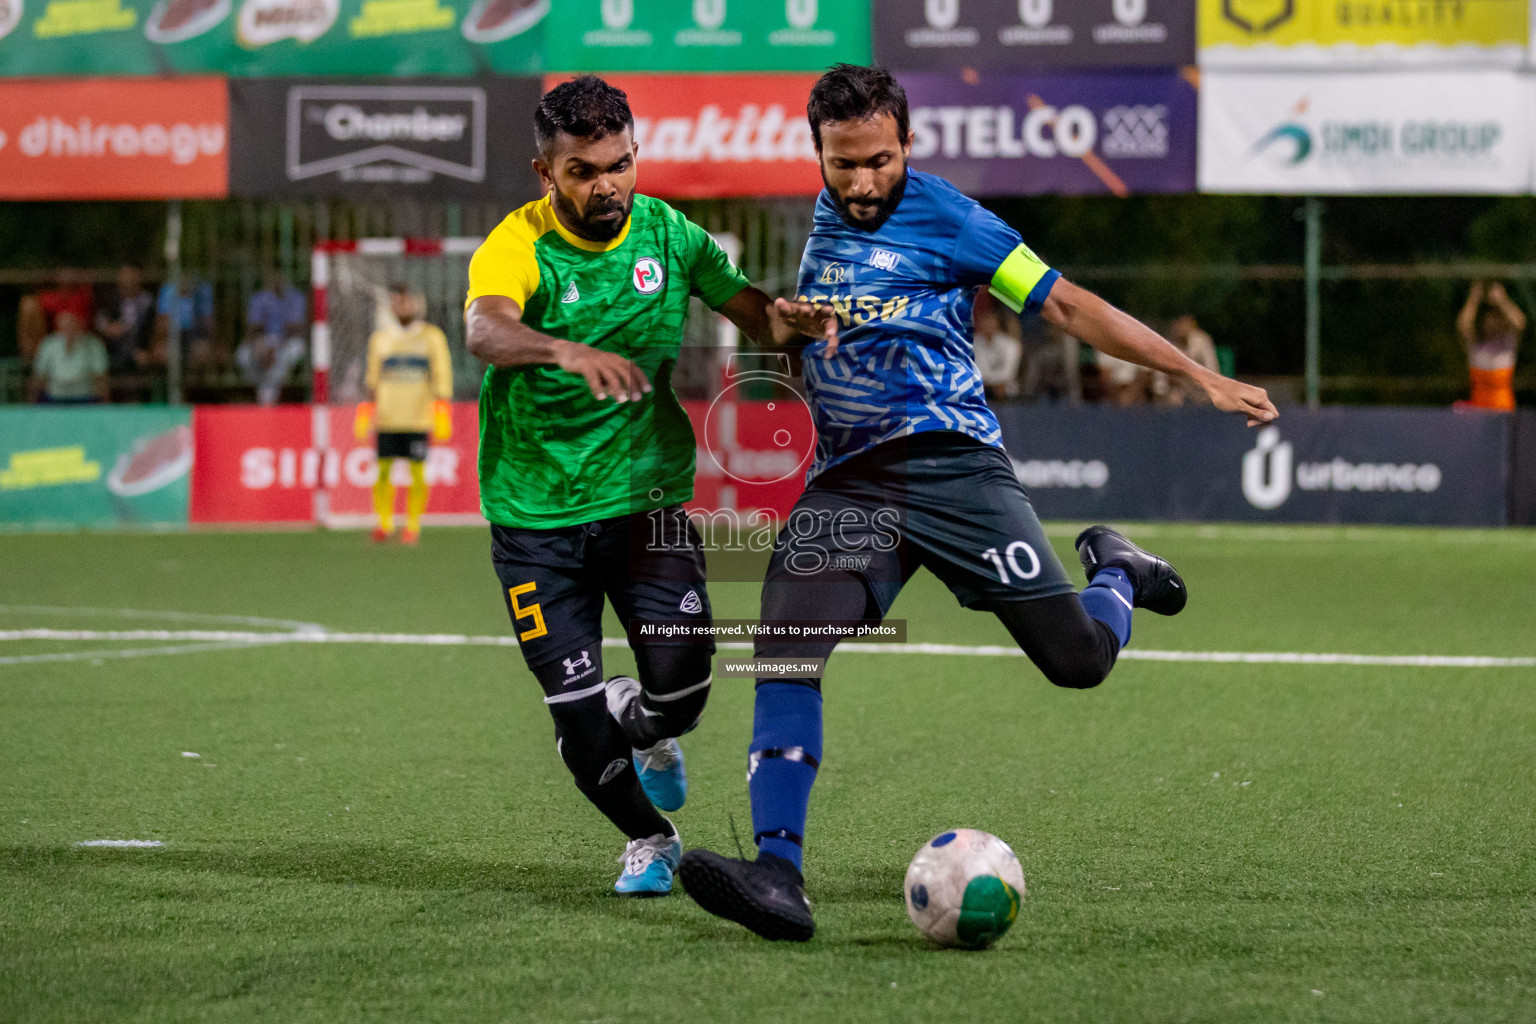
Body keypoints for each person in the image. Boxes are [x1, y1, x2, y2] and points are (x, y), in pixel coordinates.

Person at [676, 64, 1279, 941]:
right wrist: (797, 327)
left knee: (1076, 661)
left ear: (908, 144)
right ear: (818, 153)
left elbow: (1066, 305)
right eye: (840, 164)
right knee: (785, 643)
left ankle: (1115, 574)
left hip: (955, 468)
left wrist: (1195, 375)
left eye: (878, 161)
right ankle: (777, 874)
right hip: (851, 480)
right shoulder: (824, 218)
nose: (860, 183)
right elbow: (815, 325)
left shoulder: (953, 216)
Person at [463, 76, 795, 898]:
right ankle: (649, 838)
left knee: (682, 692)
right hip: (534, 518)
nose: (605, 183)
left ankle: (645, 722)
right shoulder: (517, 244)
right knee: (576, 721)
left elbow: (759, 317)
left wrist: (805, 320)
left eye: (619, 164)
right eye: (582, 170)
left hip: (646, 504)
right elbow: (484, 327)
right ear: (546, 172)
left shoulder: (670, 236)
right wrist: (563, 350)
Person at [354, 284, 453, 546]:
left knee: (417, 473)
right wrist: (367, 409)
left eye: (407, 301)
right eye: (398, 302)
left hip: (418, 416)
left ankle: (412, 524)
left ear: (417, 304)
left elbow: (441, 375)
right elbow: (372, 379)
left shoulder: (432, 337)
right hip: (387, 416)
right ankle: (384, 522)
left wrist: (442, 409)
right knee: (383, 471)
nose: (403, 307)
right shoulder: (381, 339)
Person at [237, 270, 309, 406]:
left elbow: (297, 328)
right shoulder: (260, 298)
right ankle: (261, 391)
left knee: (290, 352)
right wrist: (260, 343)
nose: (278, 279)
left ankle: (271, 394)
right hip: (266, 340)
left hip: (289, 342)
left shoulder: (296, 298)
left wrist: (277, 345)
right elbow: (253, 327)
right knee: (243, 355)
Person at [1456, 281, 1524, 412]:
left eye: (1496, 320)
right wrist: (1473, 300)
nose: (1492, 325)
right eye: (1489, 321)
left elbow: (1519, 323)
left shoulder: (1507, 345)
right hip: (1479, 409)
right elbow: (1463, 326)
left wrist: (1502, 300)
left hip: (1504, 409)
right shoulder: (1476, 345)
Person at [29, 311, 109, 404]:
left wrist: (105, 402)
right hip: (54, 400)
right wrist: (31, 402)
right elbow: (39, 376)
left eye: (72, 326)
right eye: (64, 328)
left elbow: (101, 377)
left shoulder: (94, 345)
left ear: (80, 325)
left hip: (85, 400)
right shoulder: (48, 344)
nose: (68, 331)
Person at [95, 265, 157, 374]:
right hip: (114, 347)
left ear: (139, 278)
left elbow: (152, 327)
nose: (129, 280)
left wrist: (145, 348)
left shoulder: (147, 301)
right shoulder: (110, 298)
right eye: (126, 276)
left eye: (132, 276)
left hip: (140, 347)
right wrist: (108, 328)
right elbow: (100, 320)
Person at [1152, 314, 1221, 406]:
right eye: (1179, 323)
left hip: (1200, 392)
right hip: (1174, 395)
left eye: (1185, 323)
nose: (1182, 328)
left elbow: (1213, 371)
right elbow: (1159, 382)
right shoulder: (1165, 343)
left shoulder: (1202, 341)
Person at [156, 275, 217, 370]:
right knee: (166, 353)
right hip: (174, 336)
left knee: (202, 353)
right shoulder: (168, 291)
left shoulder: (201, 293)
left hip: (195, 336)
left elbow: (208, 324)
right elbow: (161, 324)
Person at [972, 290, 1023, 400]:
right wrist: (990, 383)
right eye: (985, 320)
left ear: (997, 322)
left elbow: (1008, 373)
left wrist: (993, 382)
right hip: (982, 388)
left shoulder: (1010, 344)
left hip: (1007, 391)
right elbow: (978, 372)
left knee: (1002, 388)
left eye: (990, 320)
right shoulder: (975, 343)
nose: (987, 324)